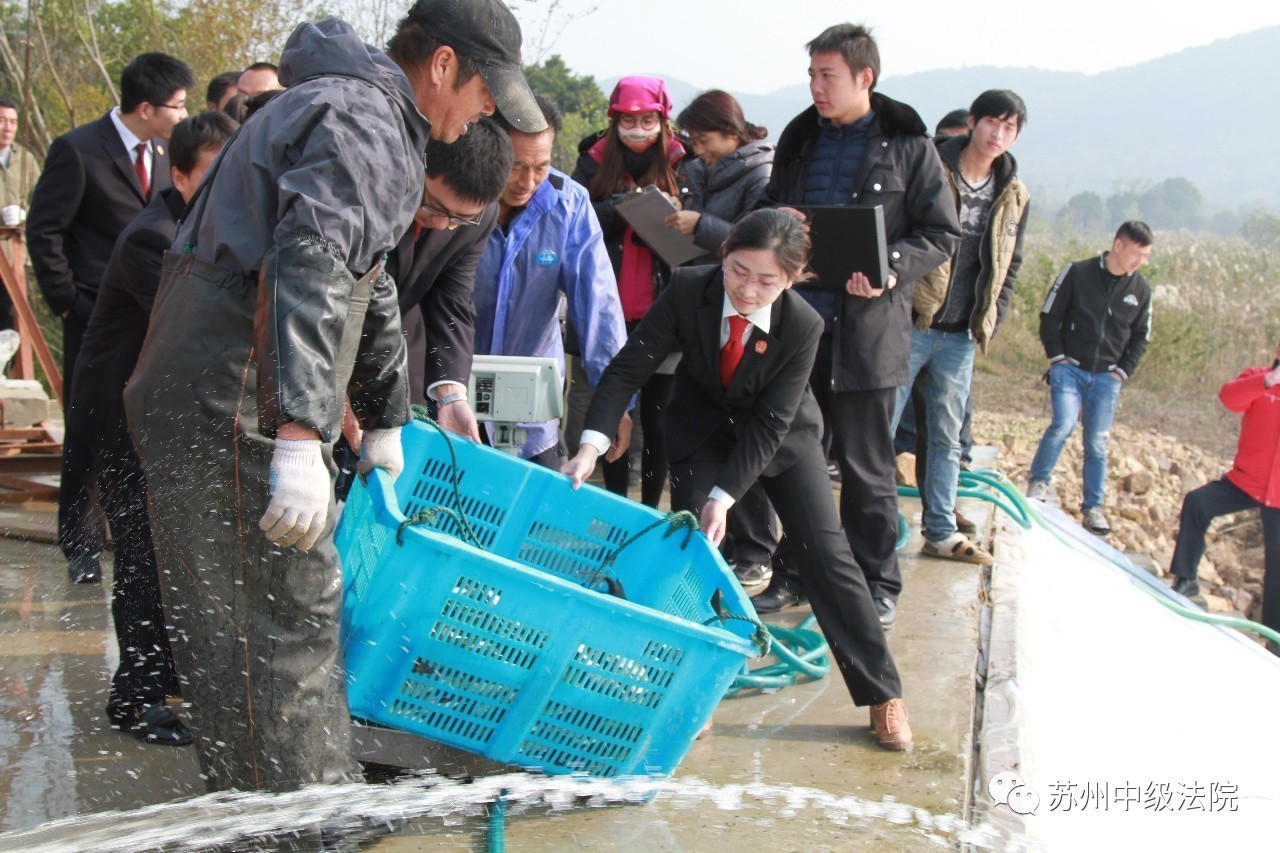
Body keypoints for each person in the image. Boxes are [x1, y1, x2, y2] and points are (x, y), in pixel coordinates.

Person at [123, 2, 545, 792]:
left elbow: (368, 274)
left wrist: (385, 413)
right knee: (284, 614)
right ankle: (292, 827)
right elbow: (312, 262)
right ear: (444, 66)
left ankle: (286, 803)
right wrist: (297, 432)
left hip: (212, 379)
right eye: (488, 91)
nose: (488, 110)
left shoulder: (359, 111)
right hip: (230, 390)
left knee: (254, 619)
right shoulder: (367, 120)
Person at [562, 209, 913, 750]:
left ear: (793, 280)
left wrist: (726, 497)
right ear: (723, 257)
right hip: (704, 430)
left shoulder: (803, 325)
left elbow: (772, 423)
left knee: (826, 555)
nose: (748, 289)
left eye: (767, 280)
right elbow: (628, 368)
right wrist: (592, 444)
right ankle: (694, 693)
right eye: (738, 271)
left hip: (783, 437)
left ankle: (881, 692)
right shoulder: (686, 289)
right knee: (697, 556)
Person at [751, 23, 960, 629]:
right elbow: (767, 209)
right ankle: (795, 572)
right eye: (812, 75)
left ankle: (876, 581)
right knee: (794, 458)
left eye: (828, 75)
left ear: (864, 78)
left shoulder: (909, 147)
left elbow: (941, 233)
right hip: (799, 328)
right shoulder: (797, 143)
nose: (816, 87)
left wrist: (891, 270)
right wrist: (776, 220)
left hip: (869, 331)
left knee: (868, 467)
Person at [70, 111, 237, 747]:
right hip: (122, 420)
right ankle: (134, 698)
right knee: (142, 557)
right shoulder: (155, 237)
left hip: (165, 416)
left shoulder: (207, 226)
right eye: (210, 176)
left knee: (170, 553)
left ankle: (161, 679)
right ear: (179, 174)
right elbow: (196, 331)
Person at [26, 52, 195, 585]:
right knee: (88, 427)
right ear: (146, 107)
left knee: (134, 427)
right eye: (178, 106)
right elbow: (44, 231)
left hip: (154, 313)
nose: (183, 115)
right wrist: (67, 300)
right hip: (96, 315)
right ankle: (79, 542)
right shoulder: (77, 150)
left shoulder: (172, 152)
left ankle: (129, 537)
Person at [891, 89, 1030, 565]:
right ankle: (868, 524)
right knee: (882, 423)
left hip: (960, 334)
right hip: (913, 320)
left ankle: (940, 532)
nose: (999, 134)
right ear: (974, 122)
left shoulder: (1013, 193)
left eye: (1010, 128)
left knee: (947, 436)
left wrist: (990, 317)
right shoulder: (932, 168)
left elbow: (1009, 265)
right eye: (993, 122)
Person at [472, 94, 630, 466]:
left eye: (541, 167)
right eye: (515, 166)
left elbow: (598, 307)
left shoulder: (569, 204)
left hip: (530, 403)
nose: (528, 181)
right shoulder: (462, 194)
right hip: (452, 393)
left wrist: (615, 404)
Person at [668, 89, 777, 593]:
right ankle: (721, 543)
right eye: (691, 140)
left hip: (747, 307)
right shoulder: (698, 172)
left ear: (732, 132)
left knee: (744, 433)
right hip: (709, 304)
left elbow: (763, 242)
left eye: (705, 139)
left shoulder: (759, 174)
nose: (697, 149)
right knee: (707, 428)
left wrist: (703, 227)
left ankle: (756, 549)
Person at [571, 75, 686, 506]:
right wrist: (627, 208)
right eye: (628, 120)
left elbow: (702, 231)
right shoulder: (592, 161)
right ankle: (616, 500)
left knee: (657, 421)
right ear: (614, 121)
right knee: (612, 410)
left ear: (662, 121)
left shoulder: (682, 160)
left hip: (663, 312)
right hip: (607, 311)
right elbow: (577, 217)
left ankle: (649, 507)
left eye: (647, 120)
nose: (637, 129)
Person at [1026, 221, 1154, 535]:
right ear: (1118, 245)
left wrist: (1122, 371)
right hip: (1069, 368)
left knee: (1097, 442)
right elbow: (1049, 316)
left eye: (1146, 256)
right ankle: (1038, 482)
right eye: (1137, 253)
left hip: (1107, 378)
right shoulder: (1078, 273)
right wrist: (1057, 357)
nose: (1140, 262)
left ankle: (1093, 508)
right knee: (1063, 424)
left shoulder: (1140, 290)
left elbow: (1141, 337)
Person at [1167, 346, 1280, 653]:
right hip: (1245, 481)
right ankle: (1186, 578)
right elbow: (1229, 398)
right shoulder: (1259, 378)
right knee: (1197, 503)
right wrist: (1268, 381)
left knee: (1277, 569)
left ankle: (1274, 642)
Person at [0, 95, 42, 332]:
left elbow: (42, 203)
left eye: (13, 122)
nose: (8, 127)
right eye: (2, 120)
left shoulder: (26, 159)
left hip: (17, 256)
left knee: (14, 320)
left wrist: (24, 215)